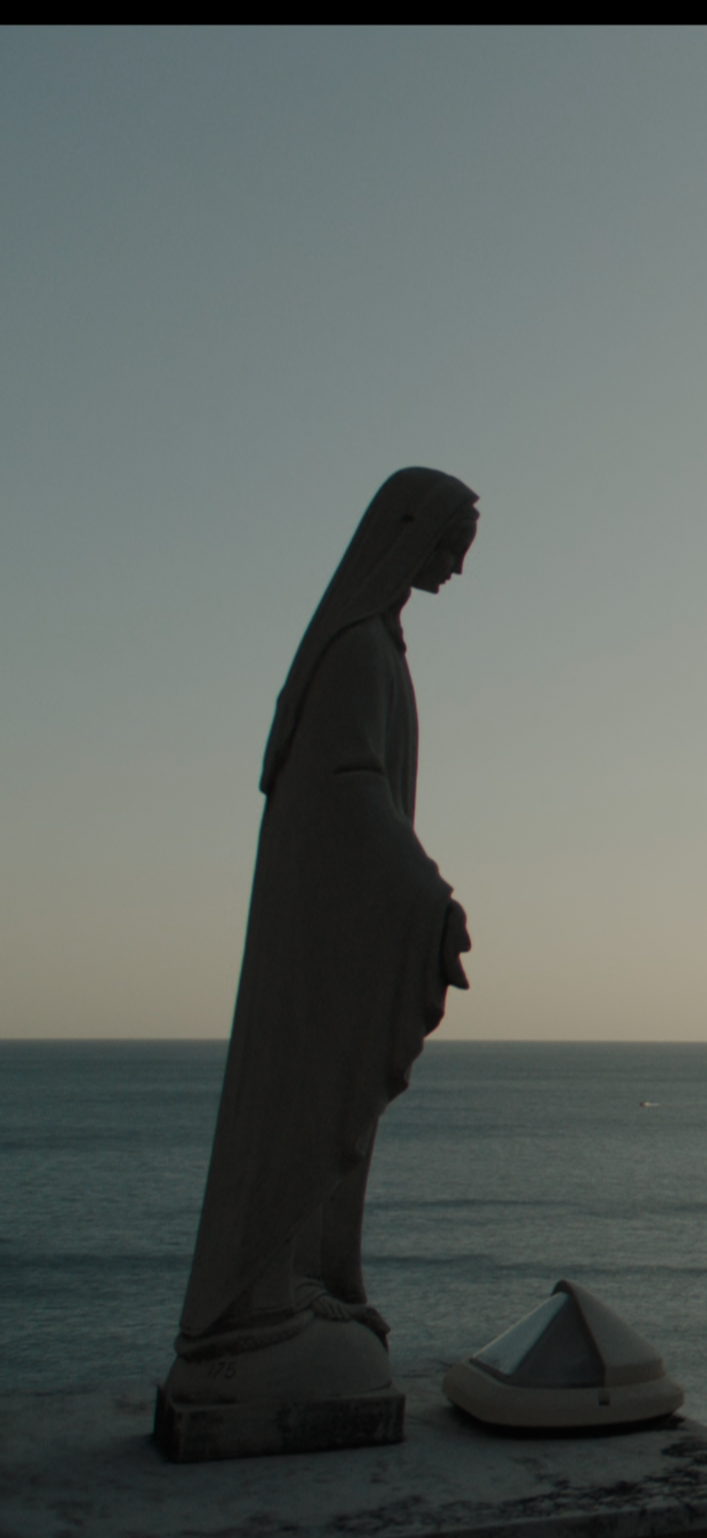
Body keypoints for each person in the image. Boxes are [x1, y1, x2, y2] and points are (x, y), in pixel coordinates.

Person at [160, 470, 478, 1443]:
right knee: (306, 1100)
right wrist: (423, 890)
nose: (458, 564)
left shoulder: (374, 646)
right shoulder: (355, 651)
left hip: (344, 928)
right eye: (452, 542)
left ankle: (307, 1282)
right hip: (325, 939)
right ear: (410, 534)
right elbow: (347, 787)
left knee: (327, 1110)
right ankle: (254, 1315)